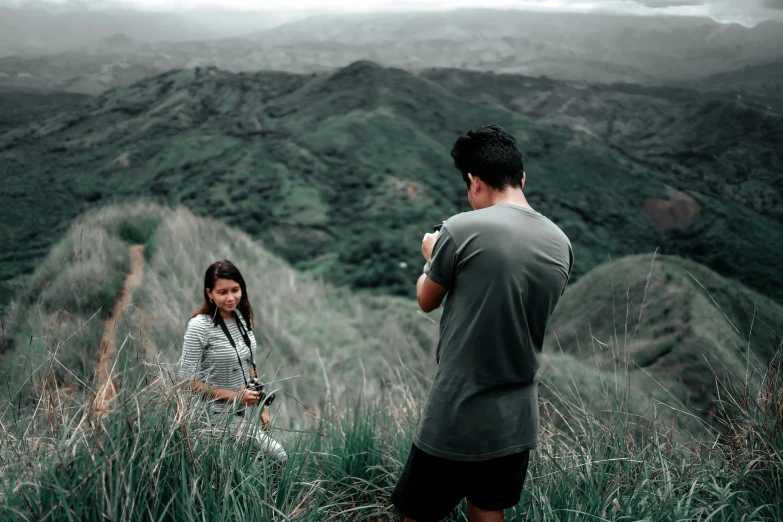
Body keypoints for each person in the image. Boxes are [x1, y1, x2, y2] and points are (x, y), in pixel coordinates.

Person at [392, 125, 573, 522]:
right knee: (488, 508)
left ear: (473, 181)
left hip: (458, 407)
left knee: (418, 512)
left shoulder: (459, 230)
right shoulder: (561, 242)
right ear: (521, 178)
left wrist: (431, 254)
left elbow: (426, 300)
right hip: (518, 411)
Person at [179, 259, 287, 462]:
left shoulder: (240, 316)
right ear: (209, 293)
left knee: (242, 469)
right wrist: (236, 397)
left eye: (235, 290)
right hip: (213, 417)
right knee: (278, 456)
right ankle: (276, 496)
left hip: (243, 414)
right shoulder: (199, 326)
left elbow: (248, 364)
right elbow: (186, 382)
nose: (231, 298)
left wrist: (263, 406)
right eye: (222, 292)